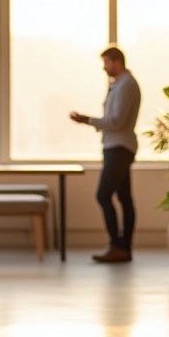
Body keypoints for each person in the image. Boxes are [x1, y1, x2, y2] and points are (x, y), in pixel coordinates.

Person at [69, 45, 142, 263]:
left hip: (119, 147)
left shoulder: (126, 85)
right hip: (116, 146)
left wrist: (87, 120)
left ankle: (118, 245)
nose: (104, 67)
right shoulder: (120, 84)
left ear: (117, 61)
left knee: (103, 194)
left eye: (106, 62)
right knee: (123, 197)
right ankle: (123, 248)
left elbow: (116, 120)